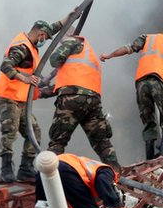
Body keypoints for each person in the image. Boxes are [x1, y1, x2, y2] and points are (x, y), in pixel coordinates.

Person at [100, 26, 163, 159]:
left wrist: (109, 55)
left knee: (149, 123)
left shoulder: (148, 38)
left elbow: (129, 48)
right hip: (161, 82)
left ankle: (150, 161)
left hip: (141, 83)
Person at [42, 33, 121, 170]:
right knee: (101, 141)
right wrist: (42, 92)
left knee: (58, 141)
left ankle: (49, 178)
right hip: (93, 101)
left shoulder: (72, 41)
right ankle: (116, 175)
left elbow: (55, 60)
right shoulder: (88, 54)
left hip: (72, 100)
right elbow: (71, 83)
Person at [0, 19, 60, 182]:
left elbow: (55, 27)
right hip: (9, 97)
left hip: (22, 100)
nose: (45, 40)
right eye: (45, 37)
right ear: (40, 34)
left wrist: (72, 15)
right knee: (10, 130)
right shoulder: (22, 47)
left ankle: (25, 168)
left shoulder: (31, 46)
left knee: (34, 132)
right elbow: (5, 66)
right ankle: (6, 169)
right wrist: (24, 78)